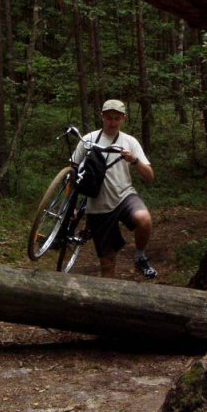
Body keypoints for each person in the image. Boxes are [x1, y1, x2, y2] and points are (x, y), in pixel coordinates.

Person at [72, 99, 157, 279]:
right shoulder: (88, 140)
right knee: (107, 263)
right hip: (98, 205)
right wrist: (71, 205)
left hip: (125, 196)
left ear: (123, 119)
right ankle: (108, 295)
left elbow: (149, 177)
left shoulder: (130, 141)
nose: (112, 122)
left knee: (144, 219)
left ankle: (140, 256)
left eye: (117, 118)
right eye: (109, 118)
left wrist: (134, 160)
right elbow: (71, 174)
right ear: (102, 117)